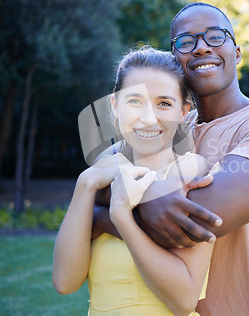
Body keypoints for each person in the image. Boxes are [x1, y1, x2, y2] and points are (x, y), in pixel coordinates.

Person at [93, 2, 249, 315]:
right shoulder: (166, 127)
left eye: (215, 37)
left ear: (237, 52)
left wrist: (101, 215)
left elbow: (190, 224)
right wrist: (143, 197)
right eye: (186, 42)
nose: (202, 48)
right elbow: (96, 174)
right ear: (175, 61)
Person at [53, 47, 220, 316]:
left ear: (183, 112)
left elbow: (184, 299)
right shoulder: (99, 175)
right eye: (135, 101)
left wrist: (121, 216)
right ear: (115, 105)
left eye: (164, 103)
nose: (148, 118)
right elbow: (65, 282)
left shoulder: (189, 172)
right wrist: (85, 183)